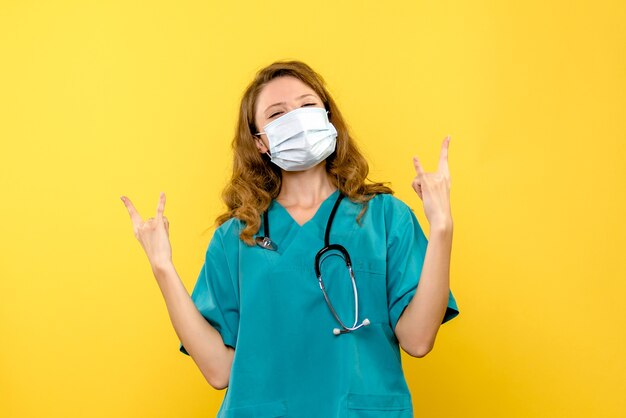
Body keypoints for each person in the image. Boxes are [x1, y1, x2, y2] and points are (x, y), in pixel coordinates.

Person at [121, 60, 460, 417]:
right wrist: (162, 266)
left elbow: (419, 340)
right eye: (277, 113)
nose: (296, 118)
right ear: (260, 142)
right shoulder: (235, 238)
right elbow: (218, 371)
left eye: (307, 104)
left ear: (327, 117)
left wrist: (442, 229)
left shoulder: (386, 217)